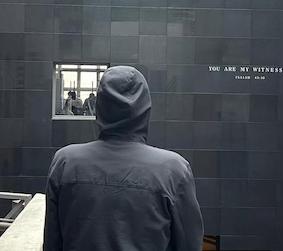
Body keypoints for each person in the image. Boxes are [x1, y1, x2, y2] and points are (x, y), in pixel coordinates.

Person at [44, 66, 204, 251]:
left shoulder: (65, 163)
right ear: (145, 109)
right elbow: (190, 245)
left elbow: (52, 243)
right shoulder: (174, 170)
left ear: (100, 106)